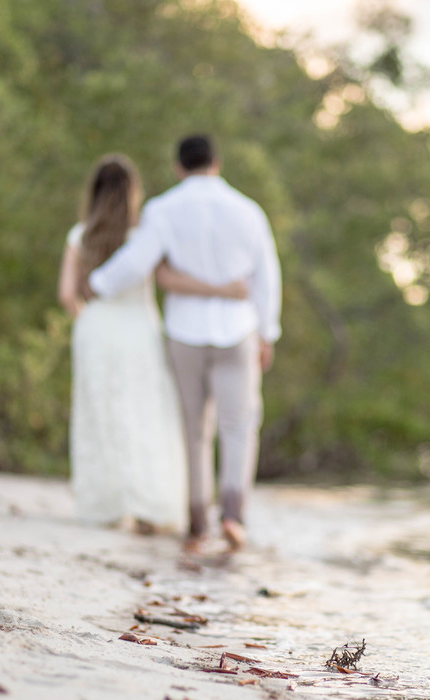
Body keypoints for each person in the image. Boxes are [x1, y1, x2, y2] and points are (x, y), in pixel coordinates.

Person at [89, 134, 282, 553]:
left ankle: (197, 523)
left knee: (193, 432)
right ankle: (233, 515)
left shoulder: (163, 209)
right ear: (218, 162)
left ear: (179, 167)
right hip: (238, 332)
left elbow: (137, 262)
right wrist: (268, 332)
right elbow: (267, 277)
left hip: (185, 333)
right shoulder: (249, 211)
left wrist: (97, 284)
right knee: (238, 427)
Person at [58, 153, 247, 533]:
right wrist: (226, 290)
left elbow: (67, 295)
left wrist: (88, 322)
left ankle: (106, 508)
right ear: (133, 192)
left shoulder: (80, 235)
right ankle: (148, 507)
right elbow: (167, 279)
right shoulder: (145, 233)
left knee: (101, 417)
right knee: (146, 414)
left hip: (96, 331)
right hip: (138, 332)